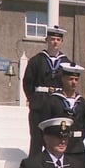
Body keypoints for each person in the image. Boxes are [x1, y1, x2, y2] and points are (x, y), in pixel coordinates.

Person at [22, 25, 70, 156]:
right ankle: (34, 165)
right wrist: (33, 99)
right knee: (37, 139)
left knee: (56, 137)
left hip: (58, 103)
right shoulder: (36, 60)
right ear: (47, 40)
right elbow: (27, 82)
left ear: (62, 42)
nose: (55, 42)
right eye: (52, 39)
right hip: (40, 102)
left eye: (58, 40)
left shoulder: (66, 62)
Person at [45, 62, 85, 158]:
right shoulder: (52, 100)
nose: (74, 82)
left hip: (77, 149)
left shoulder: (82, 103)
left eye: (76, 79)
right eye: (70, 79)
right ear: (63, 79)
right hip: (58, 147)